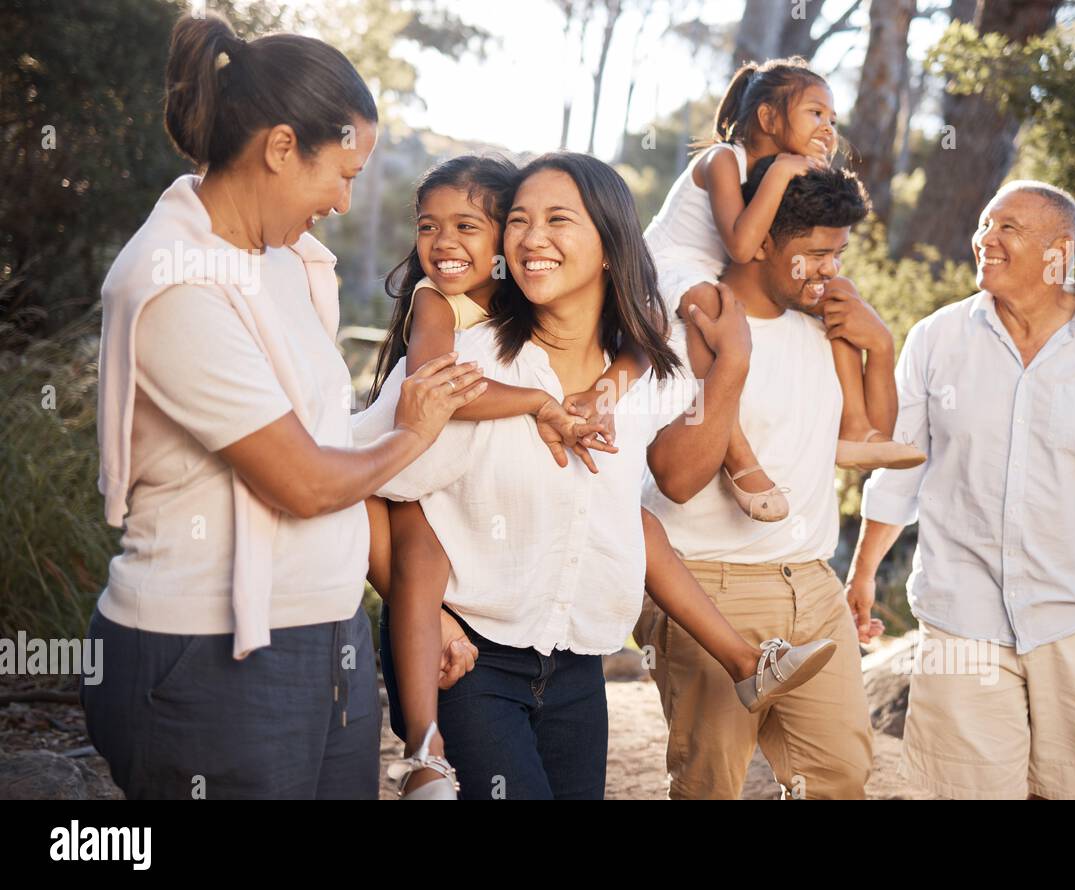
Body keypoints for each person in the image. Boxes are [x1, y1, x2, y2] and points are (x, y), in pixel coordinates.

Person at [81, 12, 486, 799]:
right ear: (277, 148)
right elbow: (302, 482)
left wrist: (406, 594)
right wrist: (413, 431)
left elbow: (333, 446)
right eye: (340, 172)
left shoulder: (283, 260)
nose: (342, 200)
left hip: (324, 638)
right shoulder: (175, 283)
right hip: (206, 657)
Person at [355, 154, 834, 799]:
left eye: (558, 219)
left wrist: (732, 368)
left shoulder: (643, 373)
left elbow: (680, 480)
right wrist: (429, 612)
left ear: (610, 246)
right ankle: (423, 756)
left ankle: (747, 662)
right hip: (475, 660)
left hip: (579, 665)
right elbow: (358, 482)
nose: (531, 237)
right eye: (519, 220)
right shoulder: (467, 364)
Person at [848, 181, 1075, 799]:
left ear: (1060, 252)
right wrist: (864, 573)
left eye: (1008, 228)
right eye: (983, 224)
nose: (986, 239)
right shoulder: (935, 339)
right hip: (962, 611)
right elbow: (899, 467)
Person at [638, 156, 890, 800]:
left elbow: (869, 444)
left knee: (839, 778)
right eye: (814, 253)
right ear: (761, 244)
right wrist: (732, 366)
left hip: (811, 579)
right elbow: (674, 477)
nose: (830, 269)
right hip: (709, 582)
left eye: (838, 252)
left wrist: (879, 346)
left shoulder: (822, 324)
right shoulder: (689, 322)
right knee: (710, 787)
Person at [641, 56, 923, 521]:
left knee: (839, 294)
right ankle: (739, 459)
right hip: (669, 267)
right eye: (815, 114)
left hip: (711, 269)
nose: (829, 127)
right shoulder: (723, 160)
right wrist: (782, 171)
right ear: (769, 118)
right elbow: (742, 245)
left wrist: (883, 346)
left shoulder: (776, 174)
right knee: (712, 317)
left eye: (833, 119)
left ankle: (856, 427)